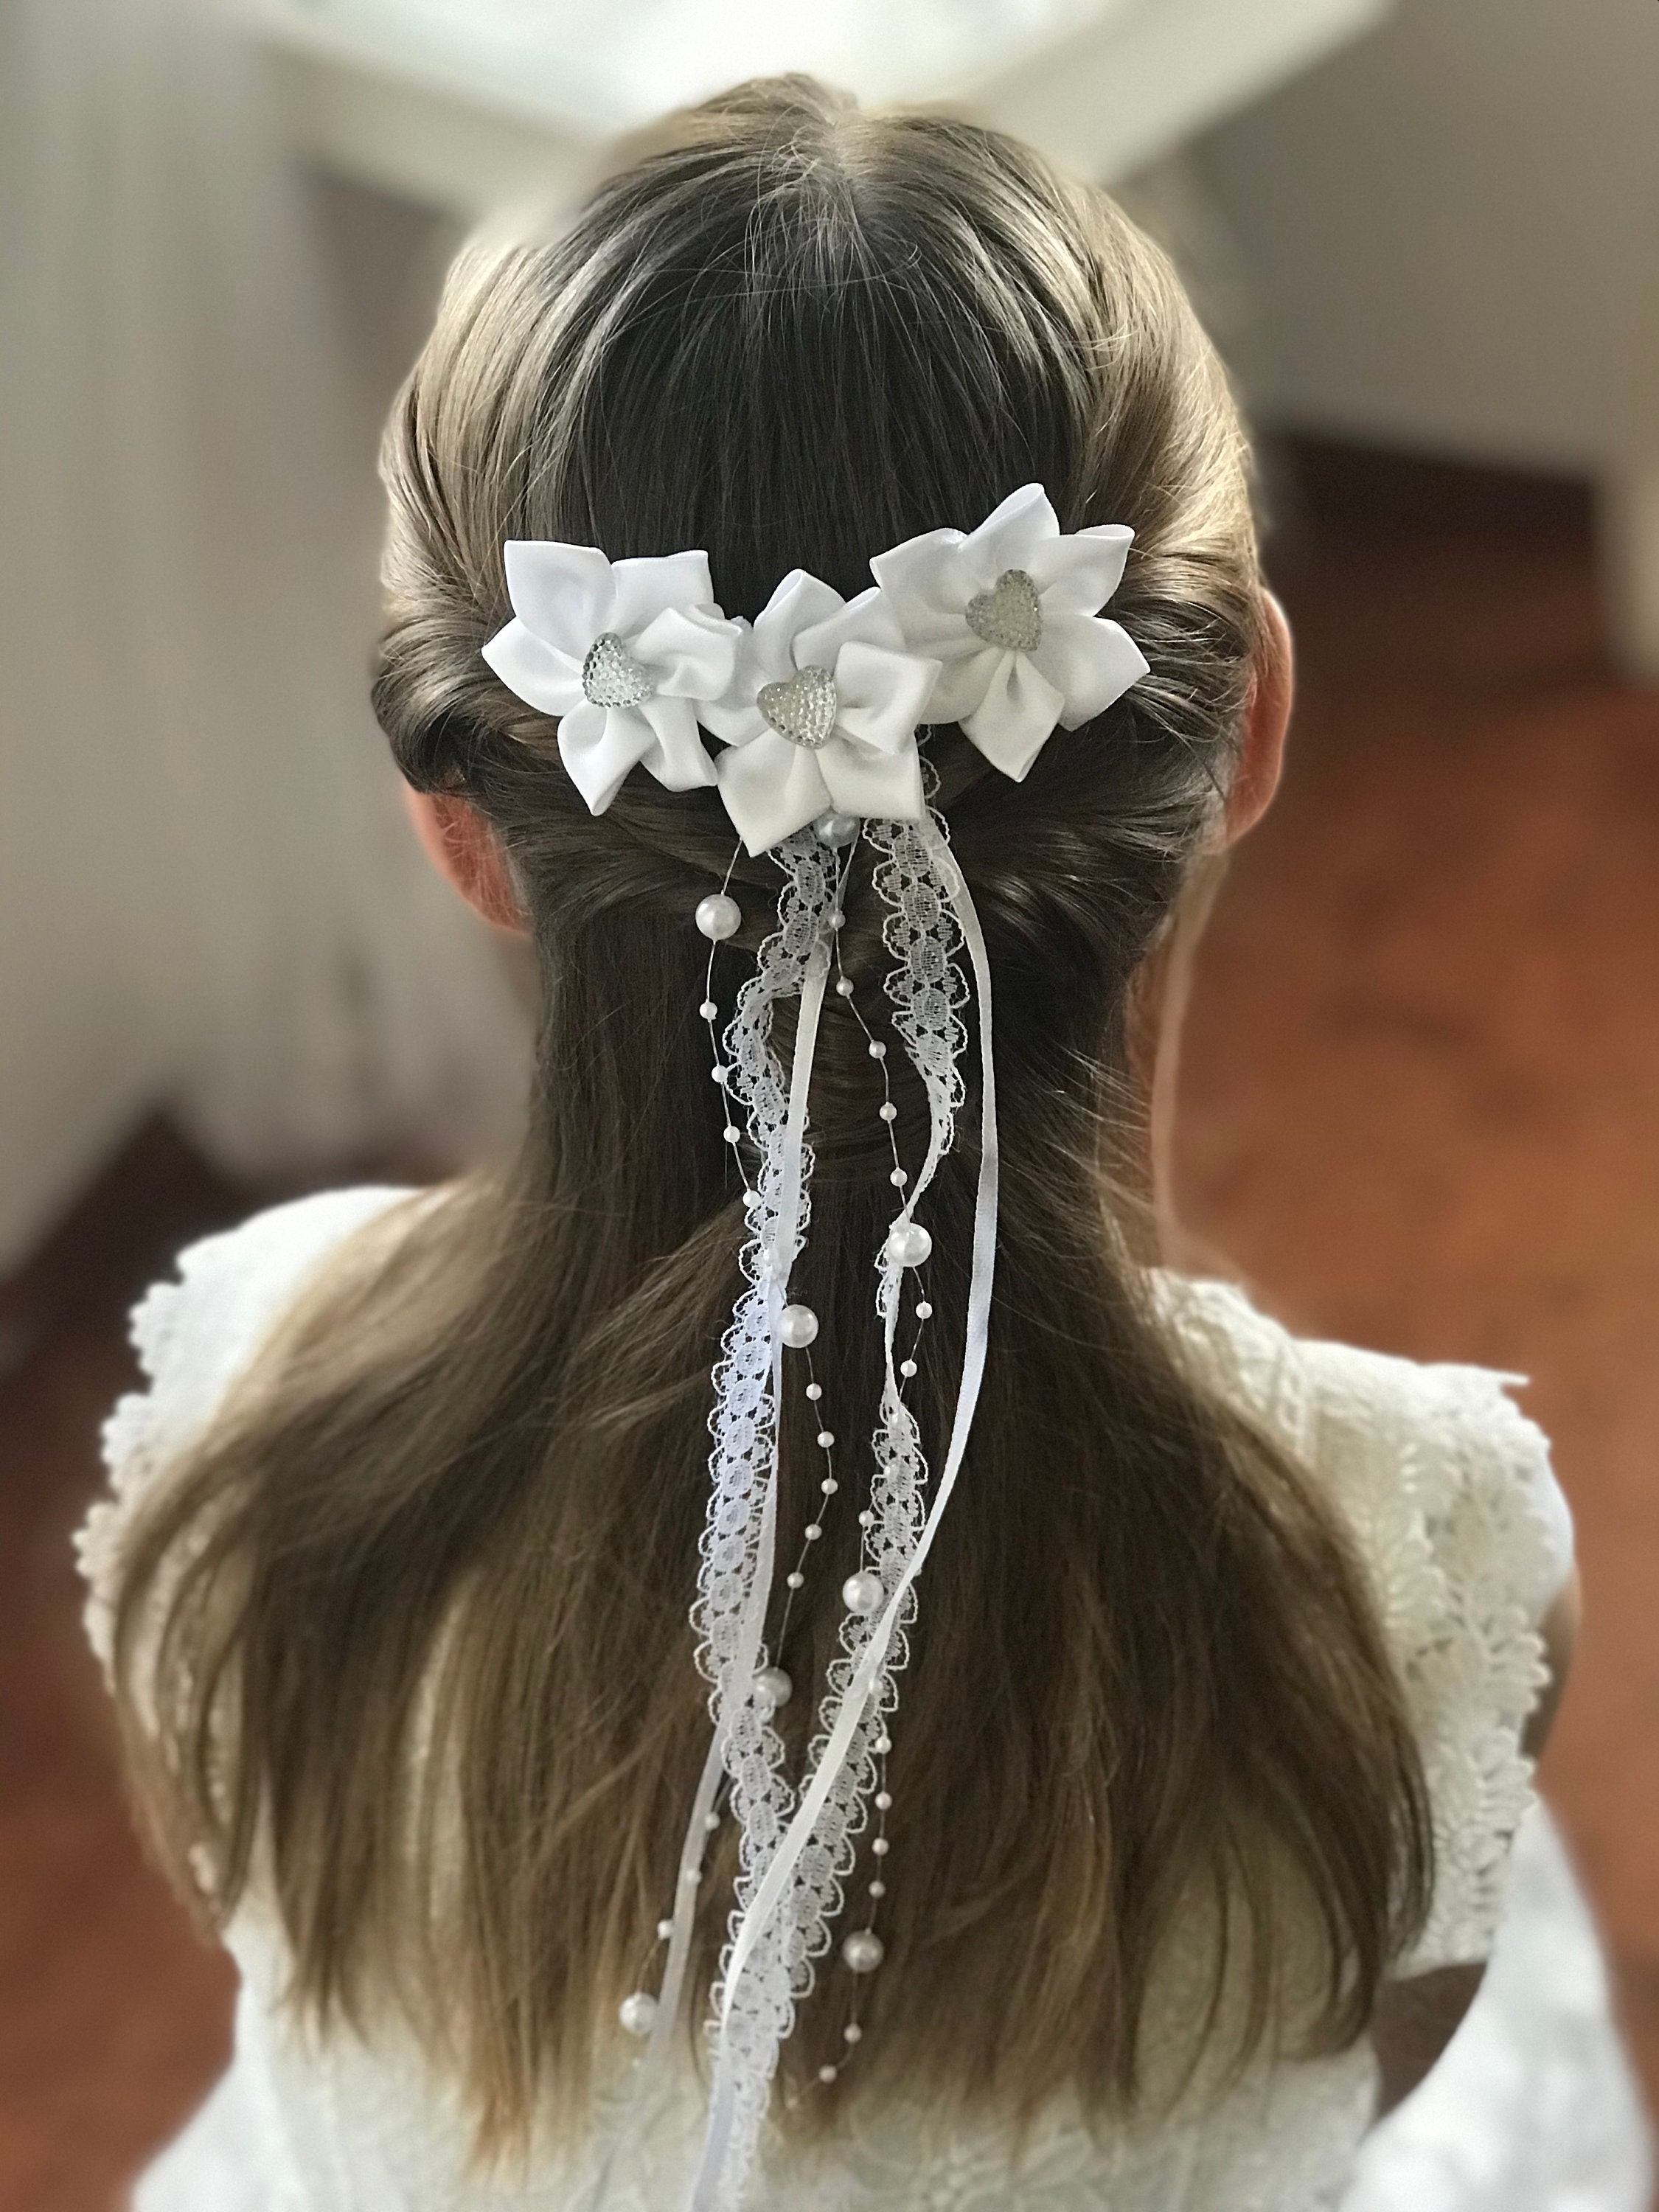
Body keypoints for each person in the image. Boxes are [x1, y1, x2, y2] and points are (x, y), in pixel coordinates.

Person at [78, 75, 1648, 2212]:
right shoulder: (1419, 1562)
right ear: (1253, 721)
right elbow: (1341, 2112)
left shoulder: (236, 1415)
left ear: (465, 837)